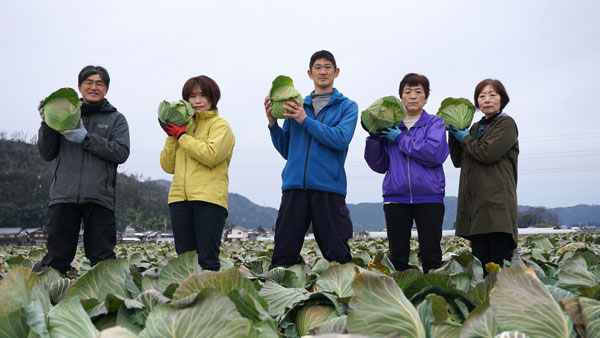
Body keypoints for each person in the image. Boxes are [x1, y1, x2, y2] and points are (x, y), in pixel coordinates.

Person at [264, 50, 358, 268]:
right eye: (318, 67)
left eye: (327, 67)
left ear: (336, 72)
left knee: (337, 252)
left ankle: (347, 296)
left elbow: (341, 139)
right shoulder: (296, 104)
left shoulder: (347, 107)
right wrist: (272, 125)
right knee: (283, 253)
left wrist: (305, 120)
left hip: (328, 188)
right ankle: (276, 296)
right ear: (309, 73)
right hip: (294, 186)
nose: (323, 71)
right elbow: (287, 149)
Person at [33, 65, 130, 275]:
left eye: (99, 83)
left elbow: (121, 152)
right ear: (80, 87)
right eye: (89, 82)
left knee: (102, 257)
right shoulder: (65, 113)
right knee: (56, 258)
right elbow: (47, 153)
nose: (94, 87)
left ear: (106, 89)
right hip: (63, 195)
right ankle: (47, 301)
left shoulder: (116, 119)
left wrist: (87, 139)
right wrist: (47, 124)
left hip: (99, 197)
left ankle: (108, 303)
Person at [364, 73, 449, 273]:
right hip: (396, 197)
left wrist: (400, 139)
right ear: (400, 97)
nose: (412, 96)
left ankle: (435, 297)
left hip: (429, 196)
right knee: (397, 256)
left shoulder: (434, 123)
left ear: (426, 97)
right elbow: (379, 165)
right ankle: (400, 299)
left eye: (418, 92)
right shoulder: (391, 125)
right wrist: (374, 138)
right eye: (407, 92)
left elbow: (434, 154)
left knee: (431, 254)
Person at [159, 75, 235, 271]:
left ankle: (210, 300)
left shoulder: (220, 126)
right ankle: (187, 301)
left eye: (203, 95)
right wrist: (171, 137)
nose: (198, 101)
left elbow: (211, 155)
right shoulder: (183, 127)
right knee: (185, 261)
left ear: (213, 98)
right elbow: (167, 166)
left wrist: (181, 136)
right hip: (178, 199)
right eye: (192, 96)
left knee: (207, 259)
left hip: (209, 200)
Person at [448, 79, 519, 272]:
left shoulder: (506, 124)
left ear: (502, 99)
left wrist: (466, 138)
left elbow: (486, 154)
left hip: (497, 207)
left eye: (492, 95)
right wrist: (453, 134)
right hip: (476, 208)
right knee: (480, 264)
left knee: (498, 264)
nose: (487, 99)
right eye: (482, 96)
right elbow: (457, 160)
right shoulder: (474, 127)